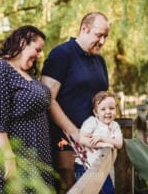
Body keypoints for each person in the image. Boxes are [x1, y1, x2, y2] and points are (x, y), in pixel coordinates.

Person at [0, 25, 54, 193]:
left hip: (34, 156)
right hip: (11, 156)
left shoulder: (28, 74)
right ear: (22, 43)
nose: (40, 55)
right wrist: (8, 156)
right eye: (37, 49)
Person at [41, 12, 110, 192]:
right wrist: (74, 132)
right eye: (98, 35)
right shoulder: (61, 54)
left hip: (95, 143)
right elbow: (47, 99)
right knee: (73, 189)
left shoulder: (100, 61)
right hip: (66, 143)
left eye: (105, 37)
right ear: (84, 29)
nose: (102, 41)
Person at [75, 91, 123, 194]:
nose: (108, 112)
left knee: (108, 191)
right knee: (86, 190)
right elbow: (82, 139)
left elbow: (119, 143)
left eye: (111, 108)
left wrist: (102, 138)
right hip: (84, 166)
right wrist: (102, 145)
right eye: (103, 109)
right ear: (96, 112)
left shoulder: (114, 126)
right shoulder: (92, 122)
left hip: (103, 166)